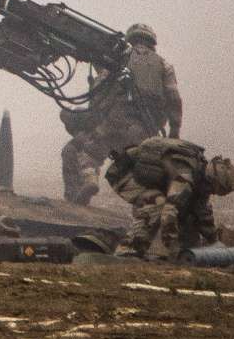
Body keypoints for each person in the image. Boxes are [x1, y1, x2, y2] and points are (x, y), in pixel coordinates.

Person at [59, 22, 183, 205]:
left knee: (87, 153)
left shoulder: (119, 59)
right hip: (144, 132)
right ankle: (155, 206)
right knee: (143, 174)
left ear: (130, 40)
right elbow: (174, 99)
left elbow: (98, 91)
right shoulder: (164, 66)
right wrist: (174, 131)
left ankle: (89, 181)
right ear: (151, 42)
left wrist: (94, 117)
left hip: (113, 123)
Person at [105, 135, 234, 259]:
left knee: (188, 209)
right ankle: (128, 251)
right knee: (157, 203)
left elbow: (201, 211)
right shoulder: (185, 177)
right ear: (213, 180)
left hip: (147, 179)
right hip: (123, 173)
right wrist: (174, 249)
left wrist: (214, 242)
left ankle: (189, 250)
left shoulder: (200, 177)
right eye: (218, 189)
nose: (215, 193)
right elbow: (169, 213)